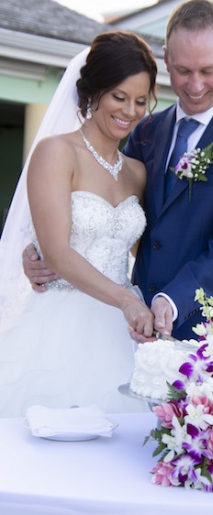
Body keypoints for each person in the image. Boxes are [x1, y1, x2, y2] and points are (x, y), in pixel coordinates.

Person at [23, 0, 213, 343]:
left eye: (207, 71)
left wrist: (170, 300)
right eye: (184, 71)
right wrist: (42, 249)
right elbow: (118, 218)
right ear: (167, 60)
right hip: (132, 326)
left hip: (211, 331)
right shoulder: (145, 133)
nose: (195, 85)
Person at [0, 30, 158, 417]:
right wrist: (126, 301)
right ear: (93, 92)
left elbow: (142, 247)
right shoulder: (56, 152)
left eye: (141, 100)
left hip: (122, 332)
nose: (130, 111)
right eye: (119, 97)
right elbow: (56, 250)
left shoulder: (137, 172)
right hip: (60, 326)